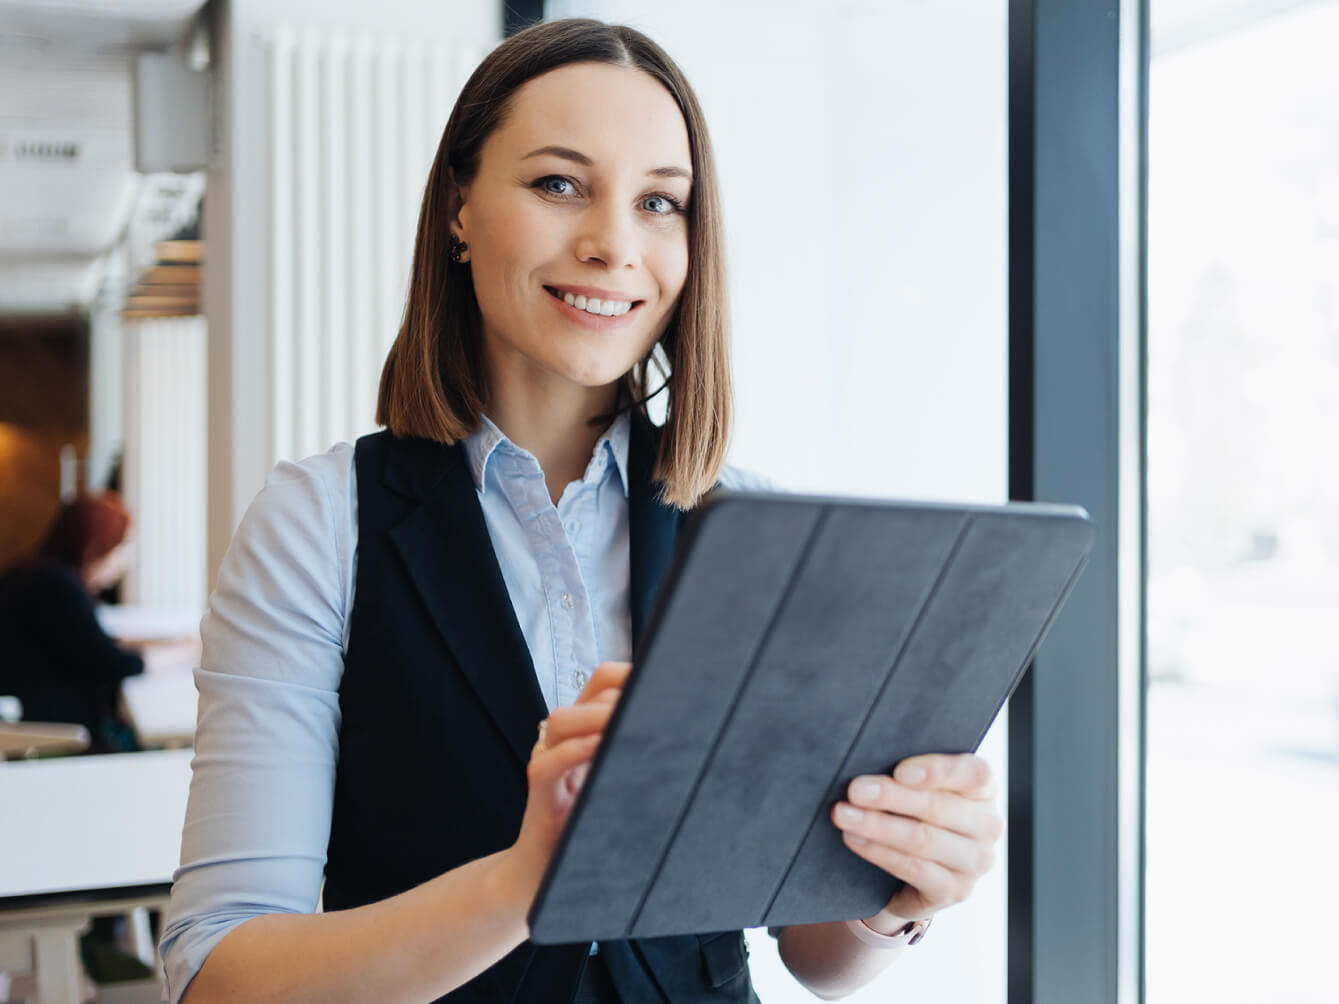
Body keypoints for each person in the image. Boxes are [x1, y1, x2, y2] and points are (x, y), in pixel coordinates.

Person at [160, 18, 1004, 1004]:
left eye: (660, 201)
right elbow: (218, 972)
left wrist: (897, 890)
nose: (613, 244)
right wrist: (527, 881)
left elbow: (813, 951)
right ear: (459, 208)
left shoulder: (750, 528)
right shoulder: (319, 520)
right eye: (560, 183)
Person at [0, 492, 143, 754]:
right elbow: (111, 663)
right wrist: (183, 654)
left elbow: (95, 644)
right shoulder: (56, 587)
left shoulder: (44, 574)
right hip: (54, 734)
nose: (126, 560)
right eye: (122, 547)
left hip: (45, 721)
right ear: (95, 546)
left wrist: (173, 644)